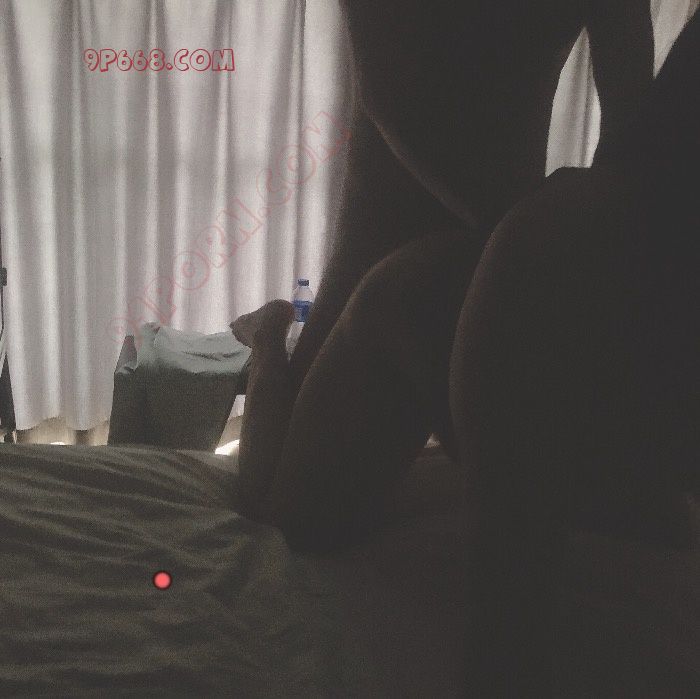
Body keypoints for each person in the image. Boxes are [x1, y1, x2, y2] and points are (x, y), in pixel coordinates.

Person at [231, 1, 700, 695]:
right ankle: (270, 337)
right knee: (283, 509)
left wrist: (550, 269)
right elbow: (393, 104)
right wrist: (522, 254)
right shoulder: (473, 267)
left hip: (499, 250)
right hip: (385, 244)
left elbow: (631, 129)